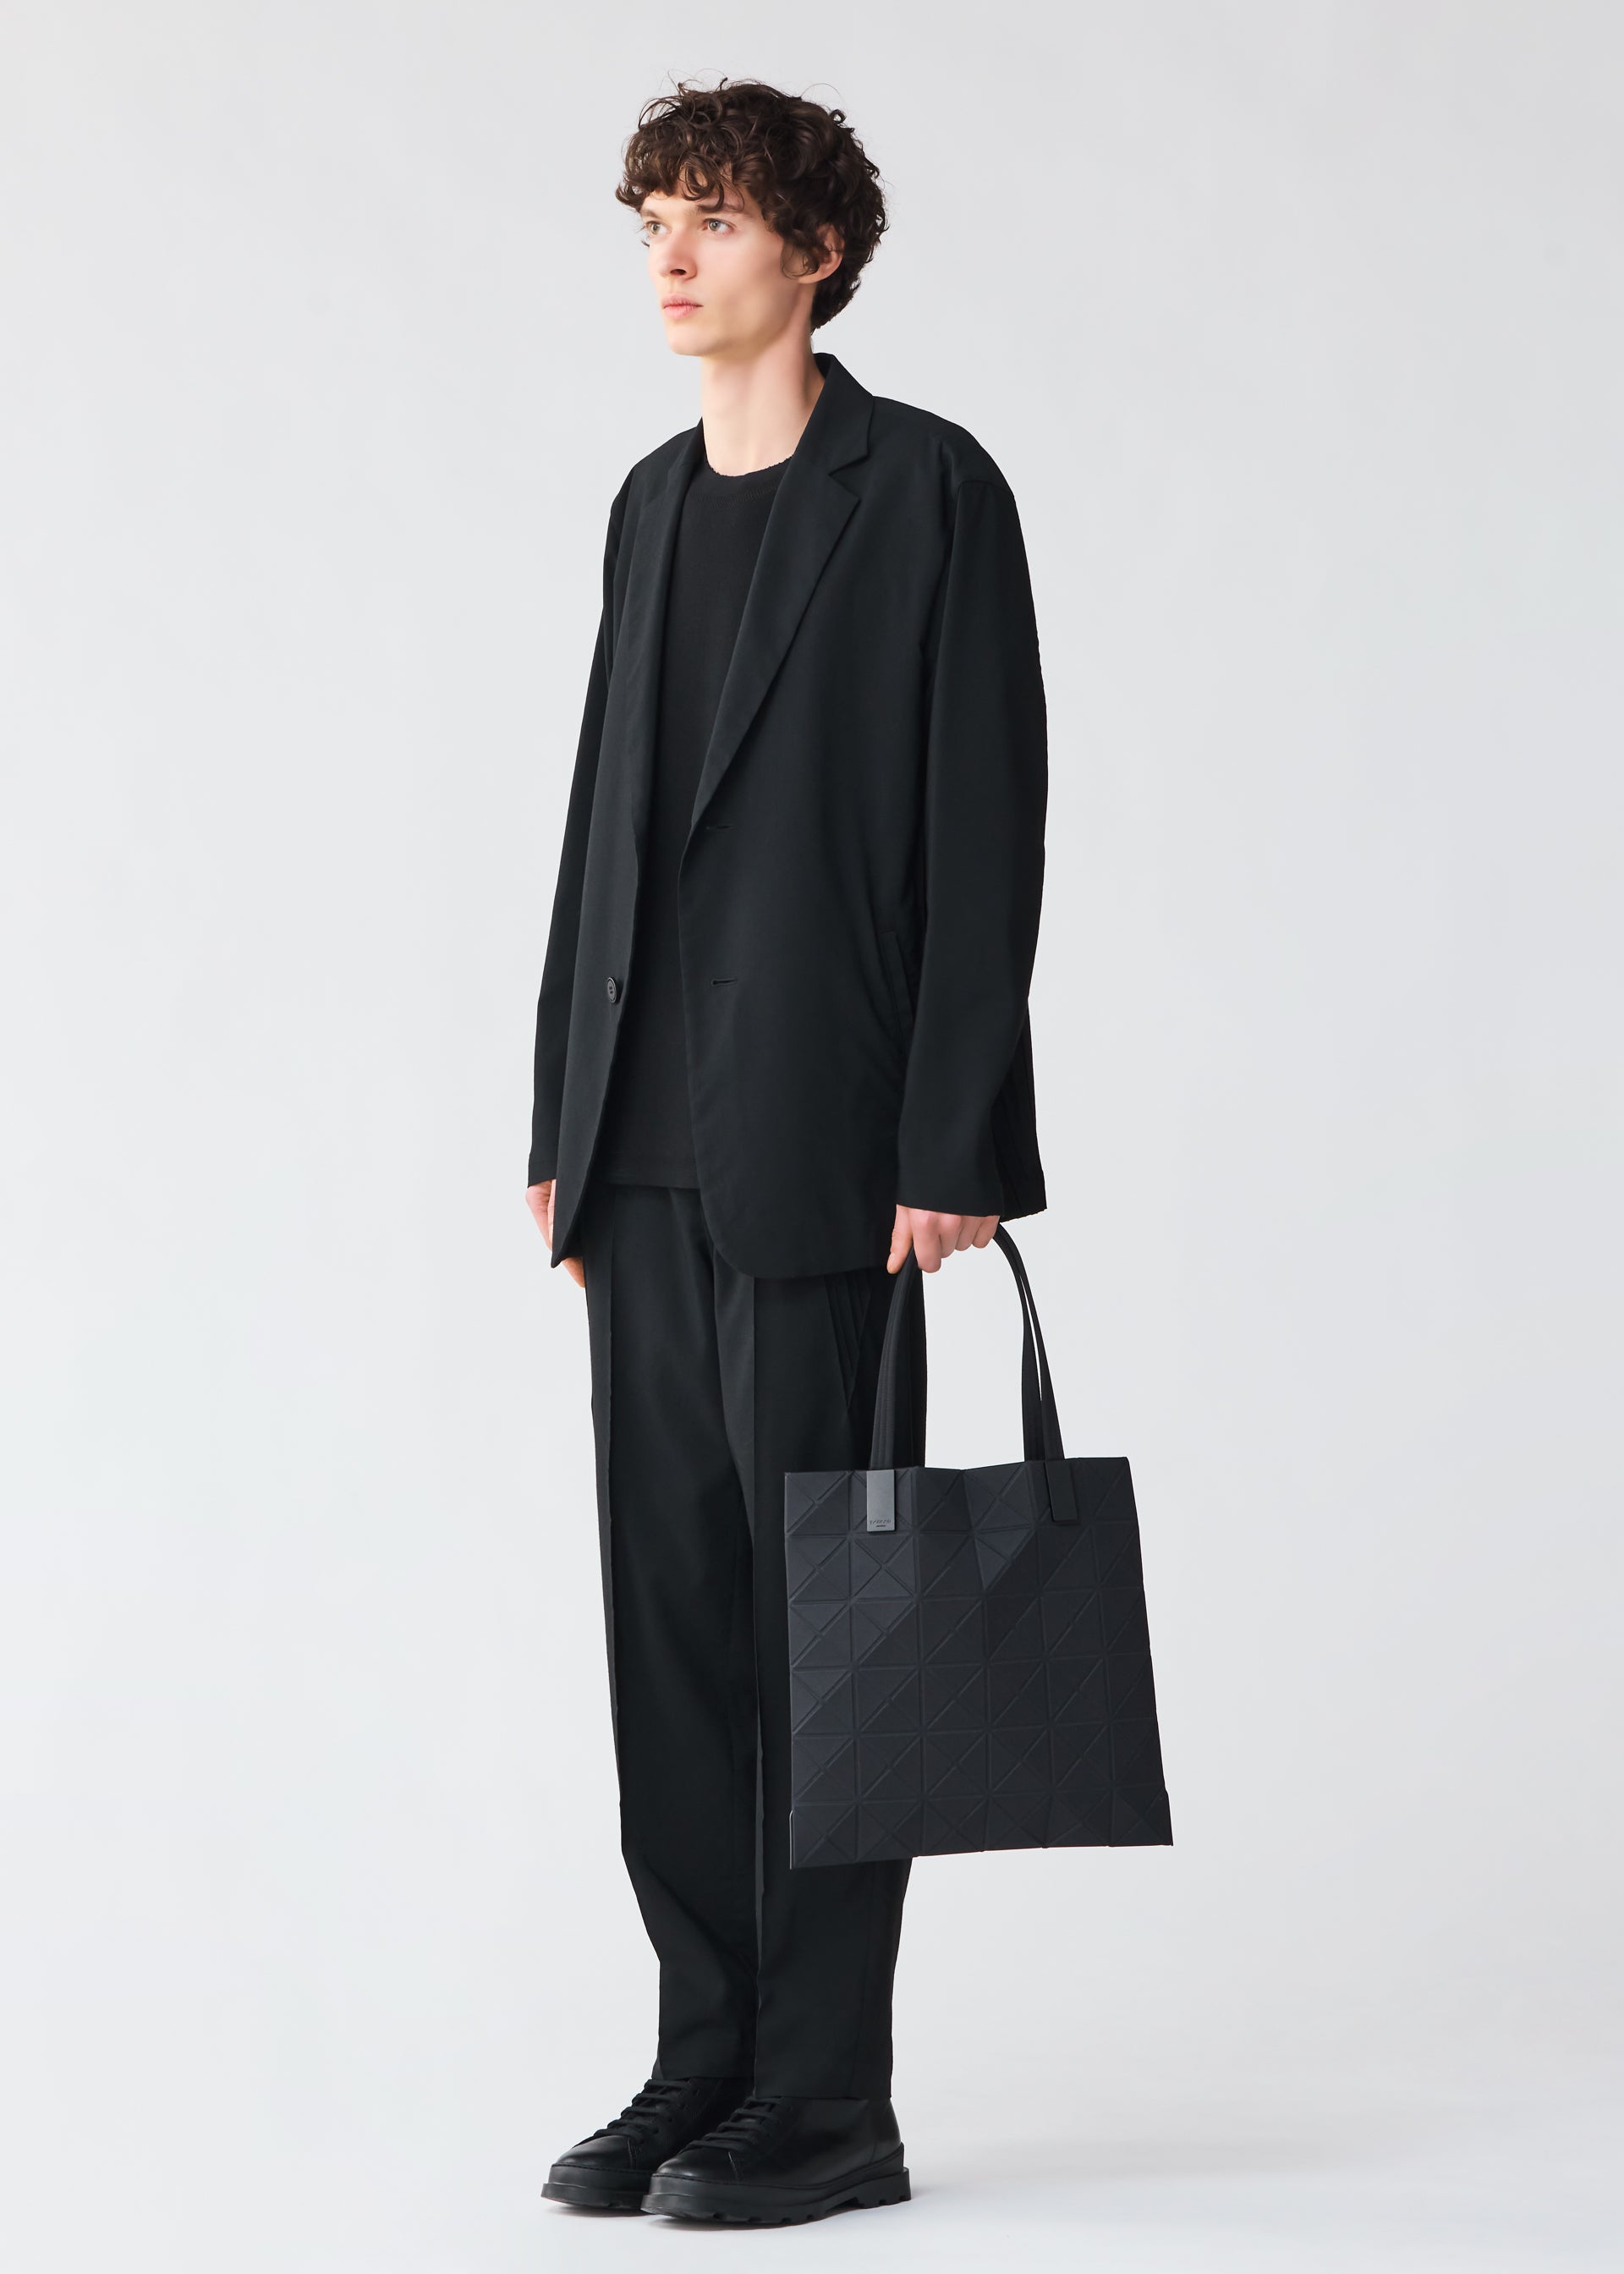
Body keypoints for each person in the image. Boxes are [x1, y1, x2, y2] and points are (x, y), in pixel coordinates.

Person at [527, 79, 1048, 2226]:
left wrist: (958, 1133)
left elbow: (984, 821)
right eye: (655, 214)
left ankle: (830, 2097)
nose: (672, 252)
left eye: (717, 219)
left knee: (835, 1620)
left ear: (815, 254)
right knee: (670, 1622)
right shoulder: (649, 505)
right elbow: (603, 821)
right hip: (642, 1149)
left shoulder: (923, 490)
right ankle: (705, 2055)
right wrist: (561, 1118)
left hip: (837, 1148)